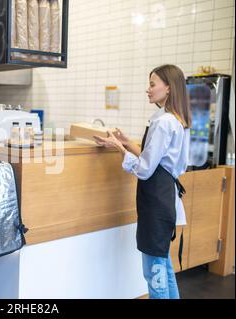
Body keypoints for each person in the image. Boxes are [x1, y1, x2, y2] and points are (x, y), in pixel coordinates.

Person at [94, 64, 191, 299]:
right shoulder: (175, 119)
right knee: (164, 267)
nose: (148, 90)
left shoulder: (163, 122)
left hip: (156, 204)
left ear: (168, 88)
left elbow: (145, 169)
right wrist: (126, 142)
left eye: (152, 84)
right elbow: (158, 161)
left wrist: (118, 148)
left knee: (154, 273)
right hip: (164, 198)